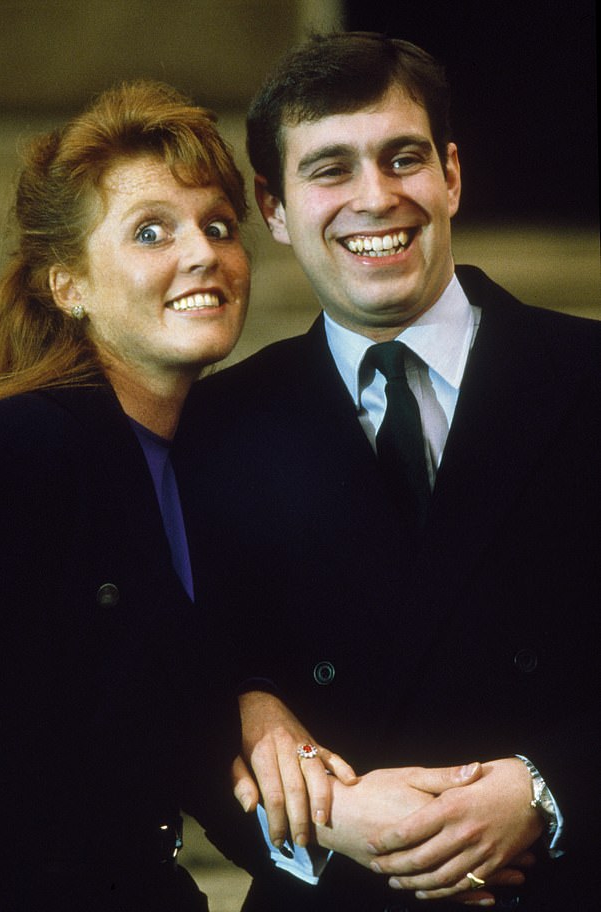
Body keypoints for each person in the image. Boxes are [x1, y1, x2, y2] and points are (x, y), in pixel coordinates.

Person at [177, 32, 601, 911]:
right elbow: (174, 703)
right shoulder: (216, 428)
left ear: (451, 174)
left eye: (402, 157)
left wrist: (547, 791)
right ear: (276, 207)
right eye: (330, 169)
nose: (376, 198)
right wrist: (329, 815)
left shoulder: (587, 377)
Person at [0, 79, 254, 911]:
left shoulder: (214, 459)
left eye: (219, 225)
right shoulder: (13, 455)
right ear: (70, 286)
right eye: (151, 231)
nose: (201, 252)